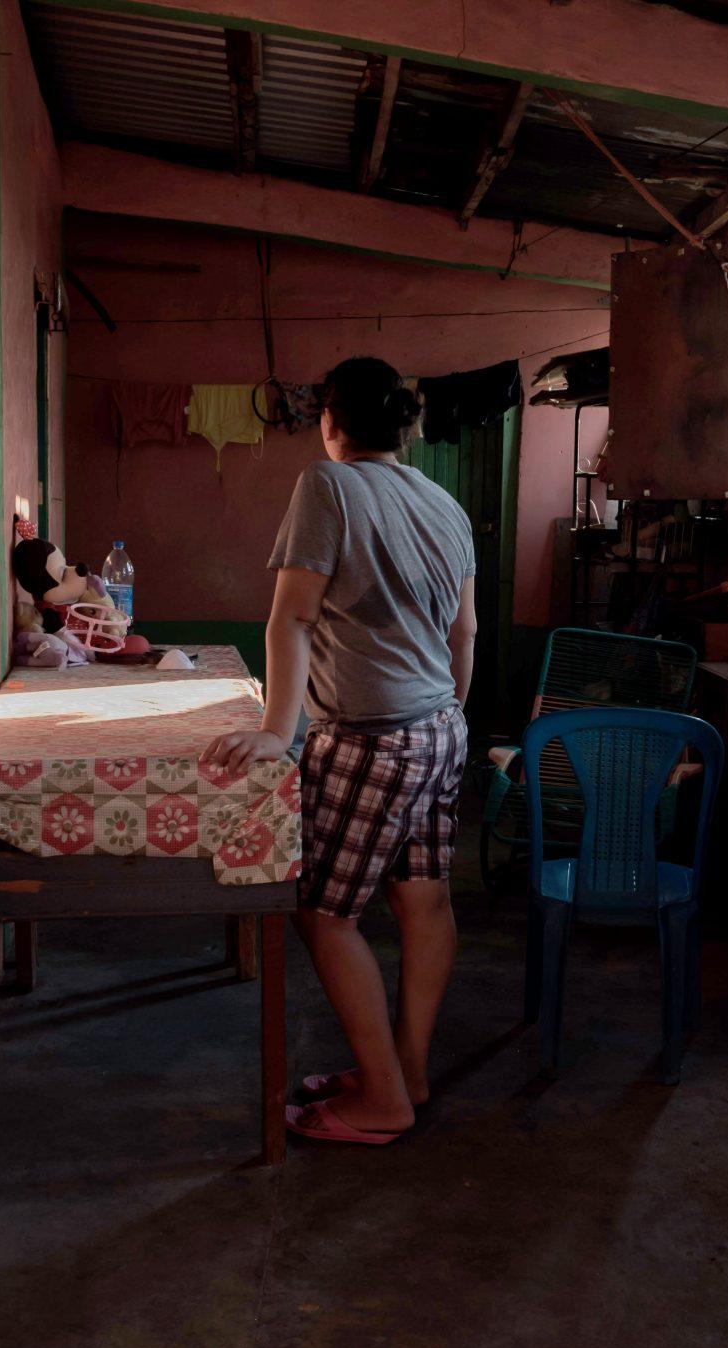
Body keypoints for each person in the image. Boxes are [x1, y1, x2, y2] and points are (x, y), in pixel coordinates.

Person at [203, 357, 476, 1146]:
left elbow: (290, 618)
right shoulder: (444, 503)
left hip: (368, 737)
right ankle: (410, 1071)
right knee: (424, 900)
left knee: (326, 914)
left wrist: (277, 732)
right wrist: (444, 716)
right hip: (440, 728)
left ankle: (383, 1099)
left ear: (331, 421)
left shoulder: (327, 487)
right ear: (404, 424)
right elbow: (465, 636)